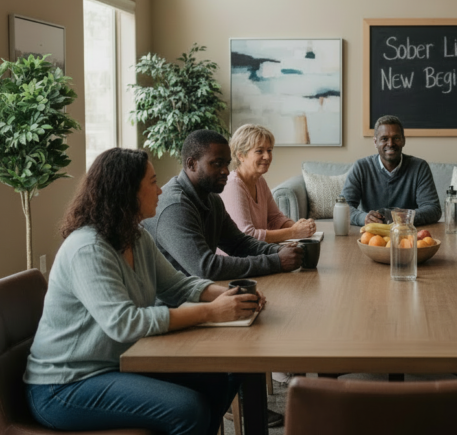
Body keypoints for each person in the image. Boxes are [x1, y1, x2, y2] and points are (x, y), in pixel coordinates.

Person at [24, 148, 265, 435]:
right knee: (189, 409)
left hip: (114, 364)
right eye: (152, 182)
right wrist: (210, 312)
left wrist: (232, 296)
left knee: (221, 375)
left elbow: (176, 285)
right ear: (126, 192)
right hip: (64, 385)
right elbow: (124, 324)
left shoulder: (136, 236)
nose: (160, 189)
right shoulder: (88, 249)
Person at [142, 130, 304, 281]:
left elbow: (239, 243)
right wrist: (277, 261)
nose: (226, 171)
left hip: (200, 291)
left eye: (226, 164)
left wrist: (278, 251)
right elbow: (205, 268)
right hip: (171, 304)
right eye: (217, 164)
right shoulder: (174, 206)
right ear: (192, 164)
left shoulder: (212, 199)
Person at [220, 124, 316, 242]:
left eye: (269, 150)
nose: (267, 156)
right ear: (240, 155)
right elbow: (247, 237)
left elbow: (275, 219)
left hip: (258, 252)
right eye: (259, 151)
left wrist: (302, 227)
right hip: (237, 259)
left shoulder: (259, 180)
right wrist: (294, 232)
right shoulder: (233, 185)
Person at [342, 114, 441, 226]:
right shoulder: (361, 167)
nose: (390, 144)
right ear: (375, 142)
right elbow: (343, 207)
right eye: (384, 139)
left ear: (403, 140)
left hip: (407, 234)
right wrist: (364, 218)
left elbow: (433, 209)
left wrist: (401, 218)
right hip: (373, 235)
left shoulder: (419, 167)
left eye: (396, 138)